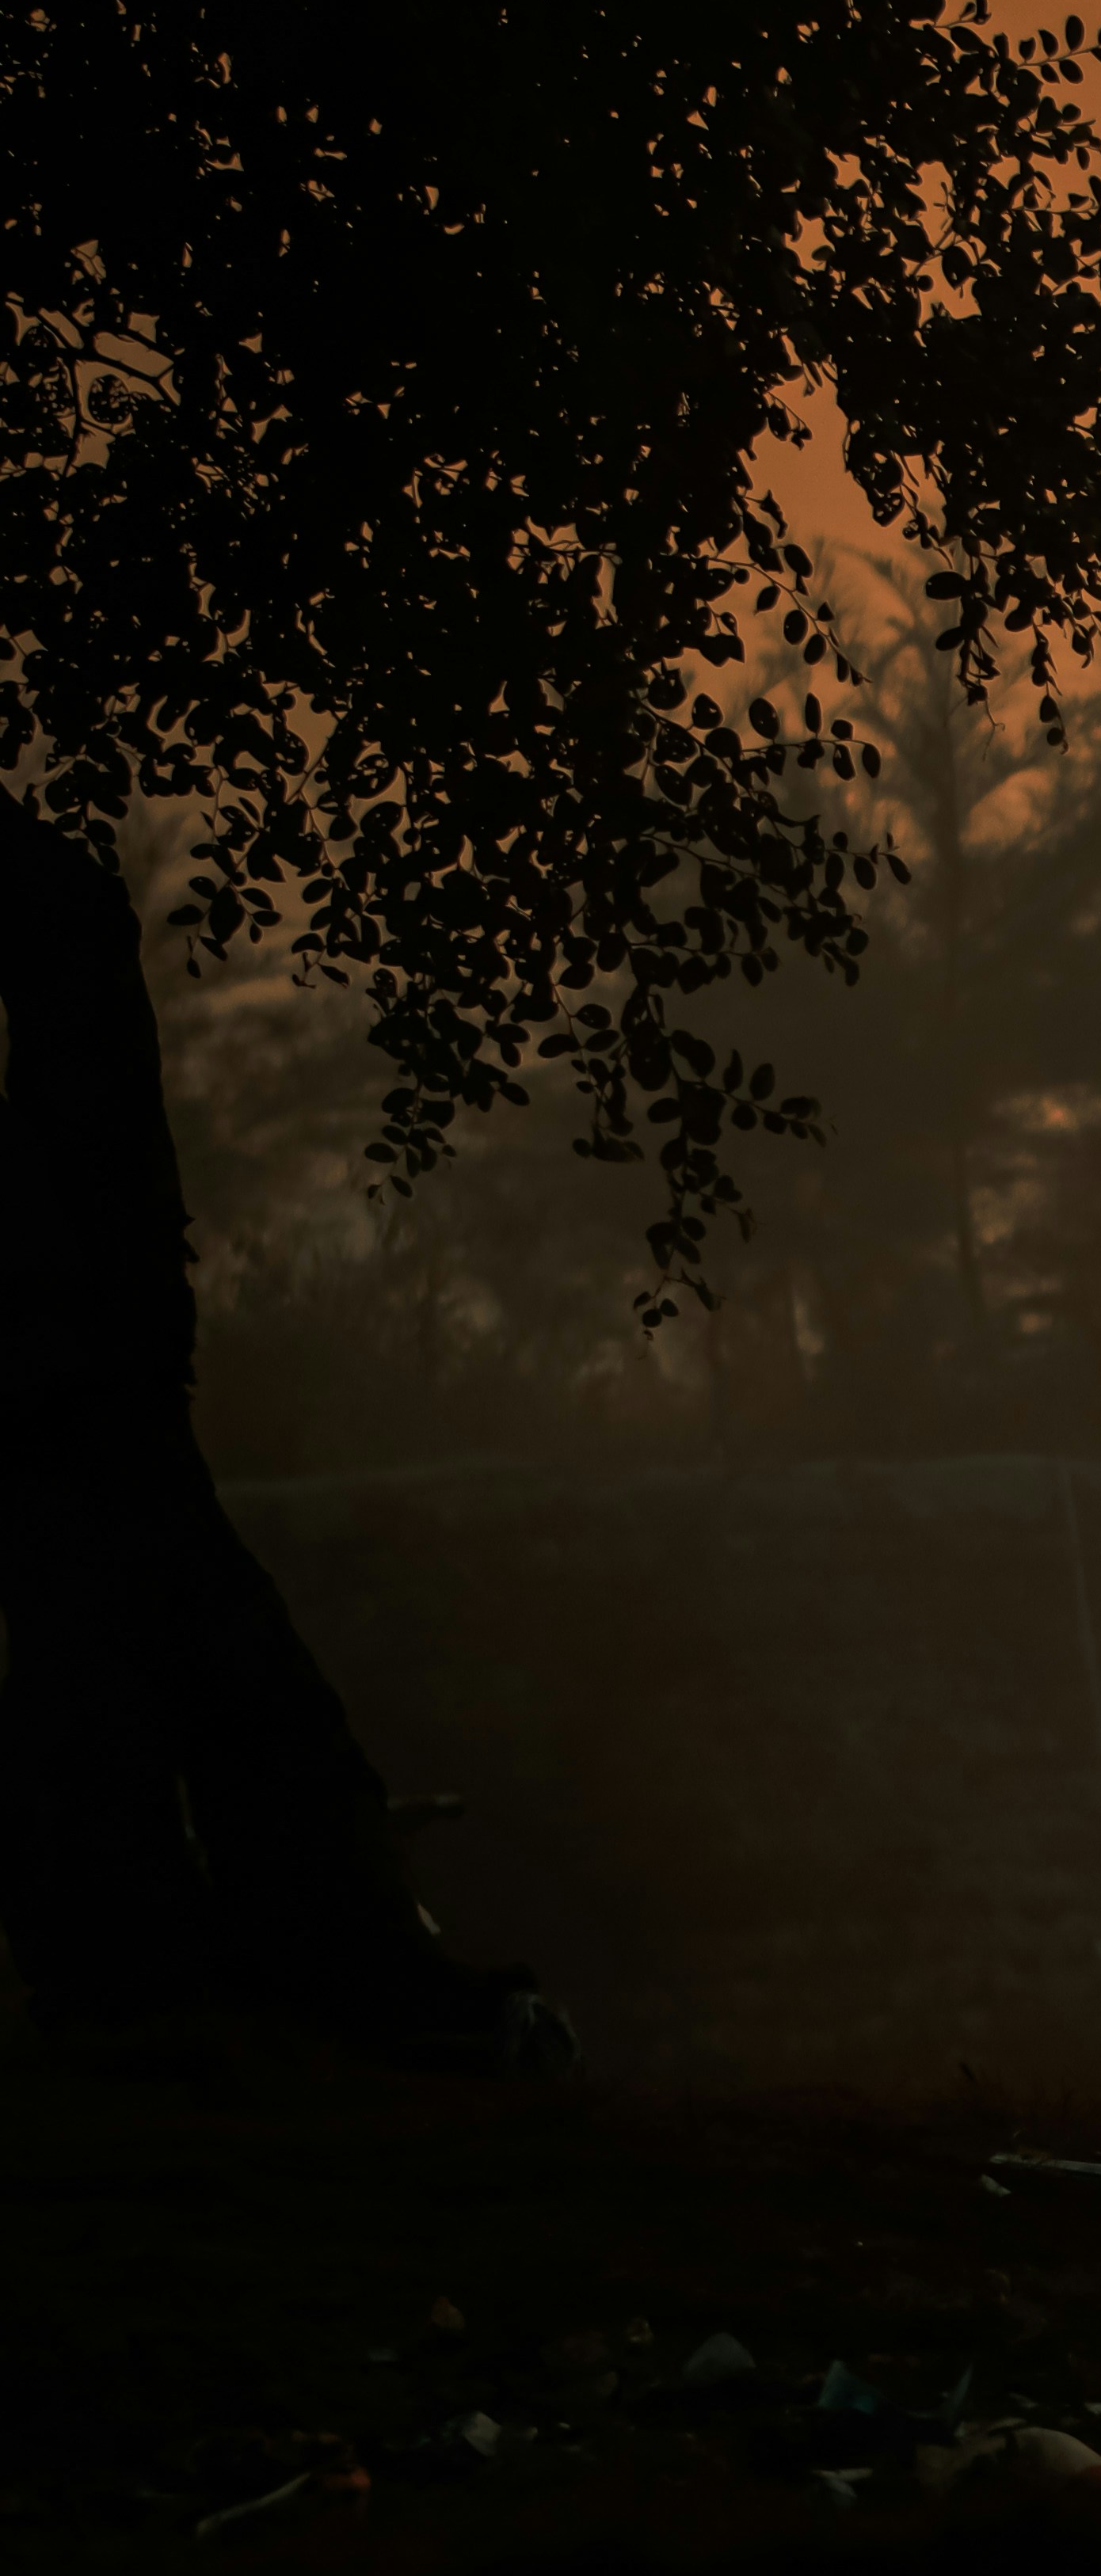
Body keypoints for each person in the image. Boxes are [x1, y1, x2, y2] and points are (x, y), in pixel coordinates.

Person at [0, 799, 568, 2070]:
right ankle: (238, 1977)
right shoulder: (53, 918)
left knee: (130, 1678)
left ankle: (183, 1979)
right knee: (192, 1678)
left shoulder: (53, 922)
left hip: (81, 1377)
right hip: (77, 1382)